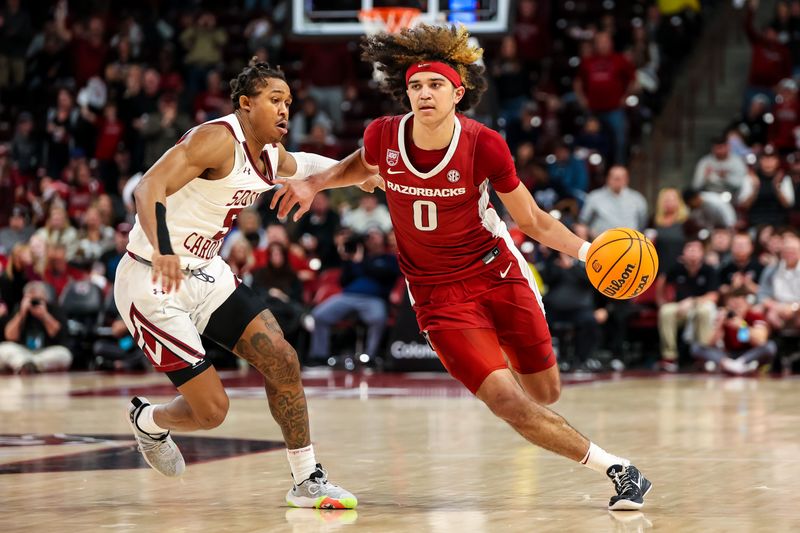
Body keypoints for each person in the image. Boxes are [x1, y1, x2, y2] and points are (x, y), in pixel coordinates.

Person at [272, 24, 651, 510]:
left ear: (458, 91)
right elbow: (361, 164)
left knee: (545, 391)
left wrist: (587, 252)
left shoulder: (484, 144)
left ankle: (505, 356)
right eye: (415, 86)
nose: (424, 94)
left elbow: (530, 218)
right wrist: (315, 183)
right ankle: (621, 472)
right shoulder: (384, 134)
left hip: (496, 271)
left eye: (434, 85)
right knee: (509, 402)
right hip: (437, 296)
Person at [115, 59, 356, 509]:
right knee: (212, 413)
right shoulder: (217, 139)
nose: (285, 110)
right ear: (246, 104)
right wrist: (164, 246)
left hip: (207, 271)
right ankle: (150, 421)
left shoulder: (268, 153)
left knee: (282, 358)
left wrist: (360, 176)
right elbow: (148, 188)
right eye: (274, 100)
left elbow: (303, 165)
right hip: (152, 275)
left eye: (288, 101)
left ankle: (307, 480)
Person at [0, 281, 71, 374]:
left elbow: (57, 334)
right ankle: (26, 364)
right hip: (23, 352)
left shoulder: (54, 308)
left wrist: (44, 315)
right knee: (3, 349)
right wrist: (21, 314)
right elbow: (10, 336)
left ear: (45, 297)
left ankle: (31, 365)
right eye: (31, 300)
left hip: (46, 352)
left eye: (38, 299)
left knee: (64, 354)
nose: (35, 303)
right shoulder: (19, 309)